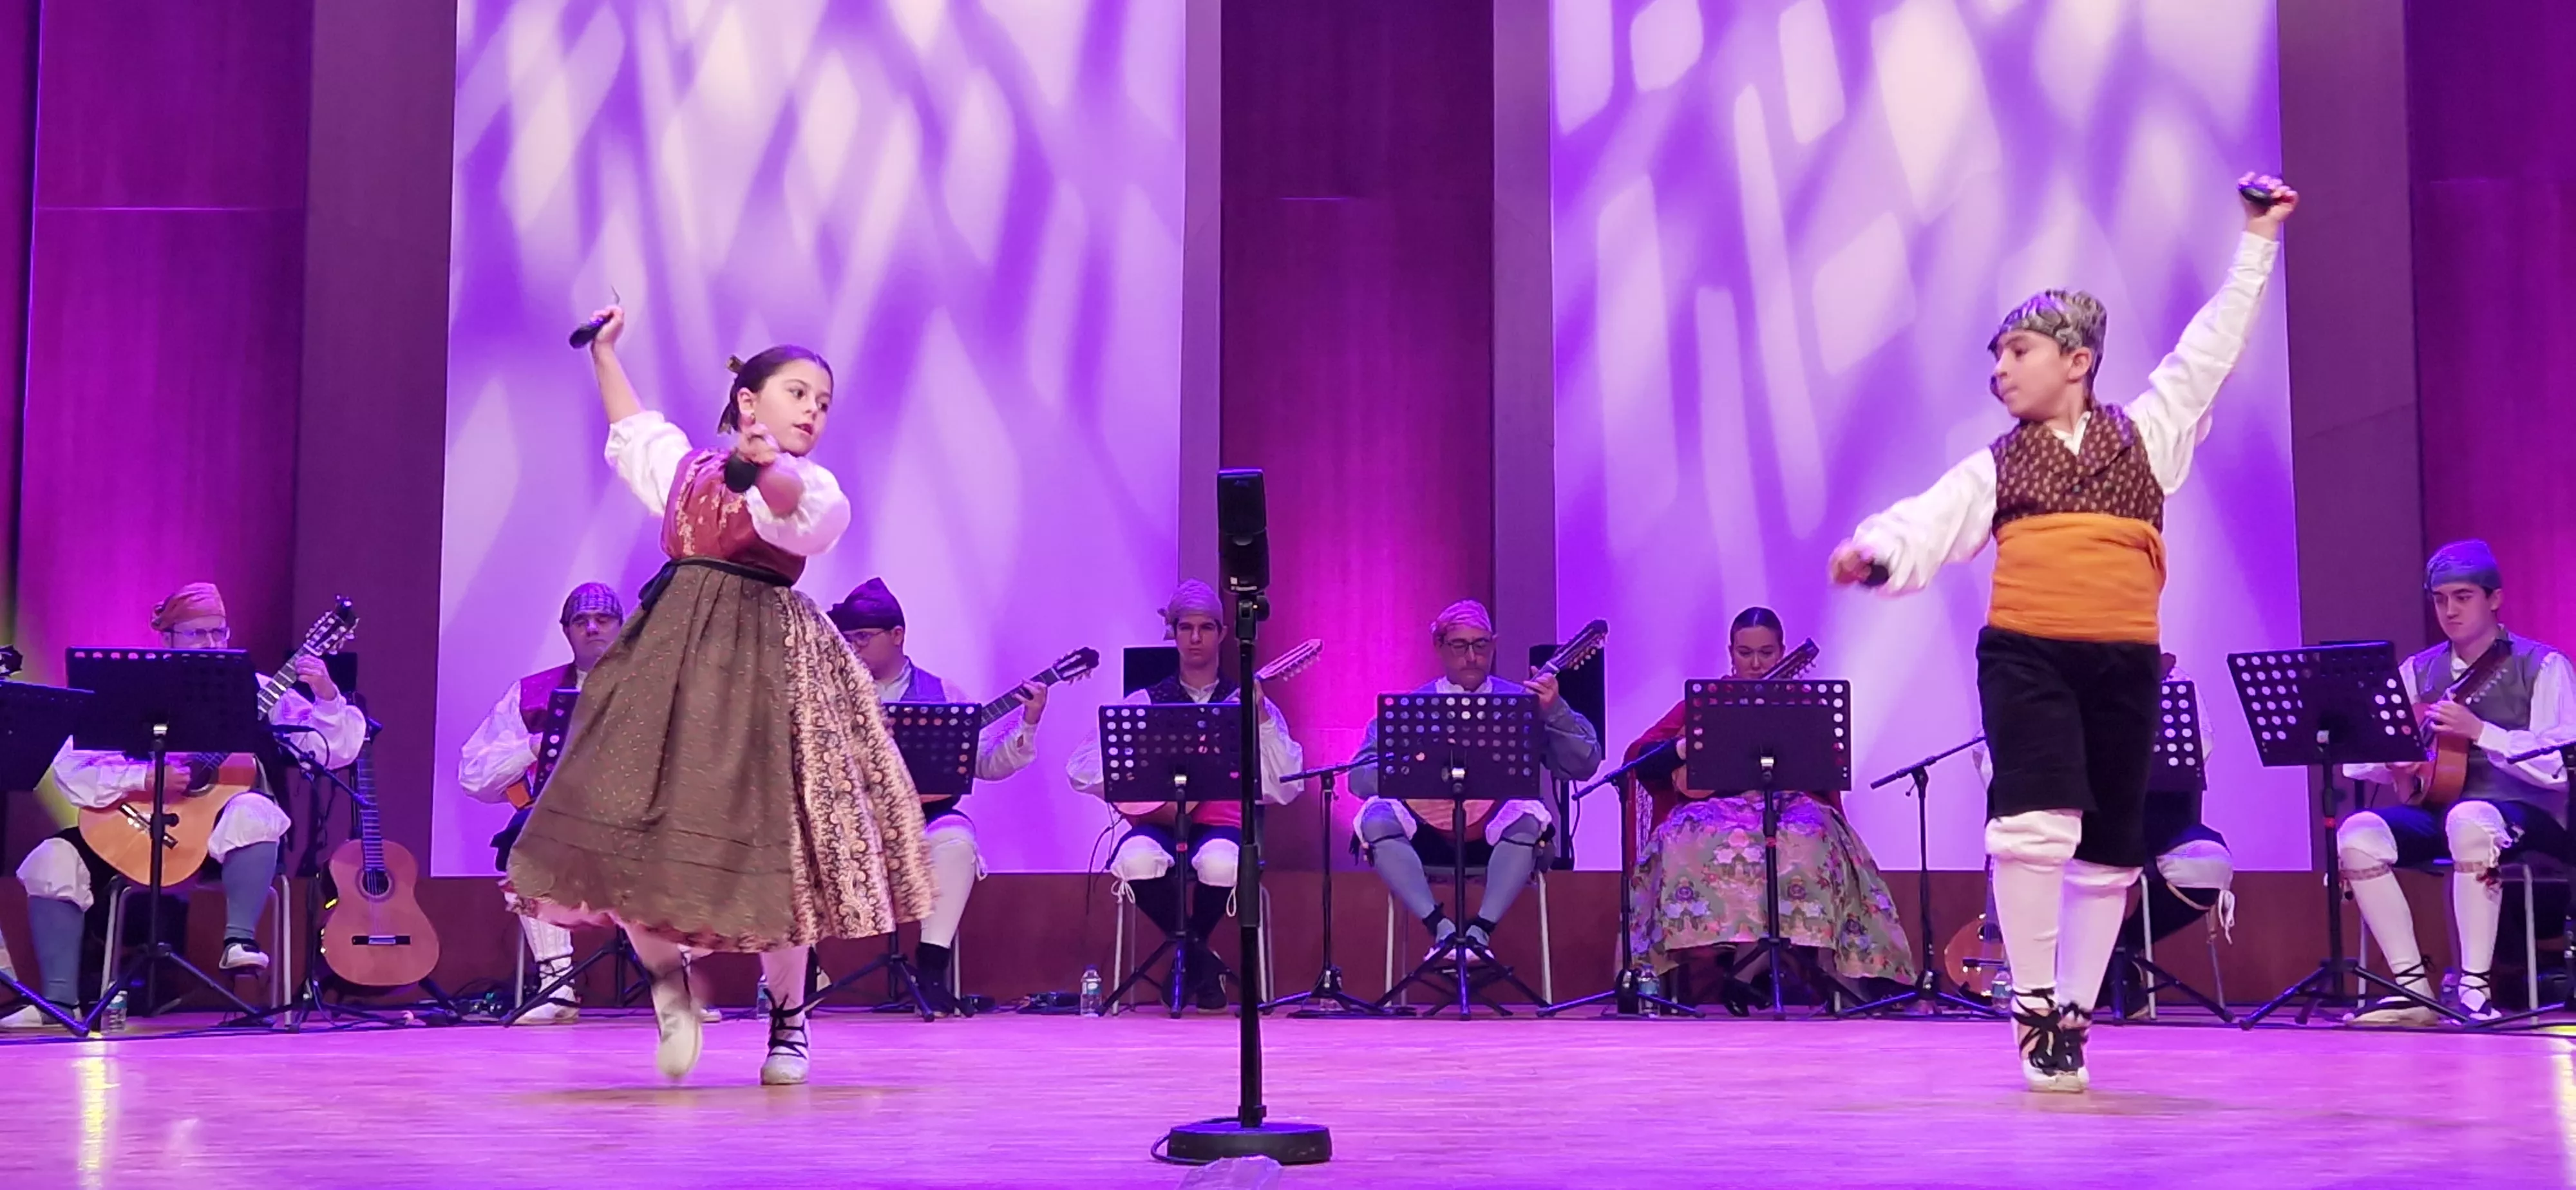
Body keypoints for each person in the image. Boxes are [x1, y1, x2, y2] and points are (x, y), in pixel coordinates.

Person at [1828, 176, 2296, 1091]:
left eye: (2018, 350)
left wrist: (2258, 238)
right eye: (1996, 356)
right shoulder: (1998, 462)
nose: (2000, 368)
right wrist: (1875, 553)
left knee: (2112, 846)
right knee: (2034, 826)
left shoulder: (2149, 435)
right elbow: (1927, 521)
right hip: (2028, 657)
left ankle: (2074, 1009)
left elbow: (2212, 350)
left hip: (2123, 665)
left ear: (2076, 359)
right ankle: (2034, 996)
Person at [504, 307, 933, 1086]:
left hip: (768, 662)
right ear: (747, 401)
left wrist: (764, 464)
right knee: (625, 832)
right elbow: (635, 428)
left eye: (824, 402)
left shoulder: (811, 484)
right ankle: (670, 990)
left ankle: (788, 1018)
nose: (814, 410)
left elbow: (797, 512)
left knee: (779, 846)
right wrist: (603, 352)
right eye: (798, 393)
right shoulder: (688, 472)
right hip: (669, 660)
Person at [4, 583, 363, 1027]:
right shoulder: (130, 689)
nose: (212, 643)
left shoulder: (255, 689)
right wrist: (145, 777)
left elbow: (335, 750)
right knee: (51, 858)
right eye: (198, 634)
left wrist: (326, 697)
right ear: (168, 638)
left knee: (257, 811)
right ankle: (58, 1003)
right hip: (131, 835)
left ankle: (239, 942)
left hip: (215, 846)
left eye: (219, 632)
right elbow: (70, 767)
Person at [458, 581, 717, 1026]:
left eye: (603, 620)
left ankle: (676, 991)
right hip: (564, 826)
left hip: (647, 822)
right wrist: (536, 746)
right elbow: (474, 776)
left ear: (624, 627)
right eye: (581, 620)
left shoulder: (664, 688)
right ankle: (558, 990)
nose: (592, 628)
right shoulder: (532, 695)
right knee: (528, 845)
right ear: (566, 631)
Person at [1622, 607, 1914, 998]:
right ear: (1730, 653)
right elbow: (1642, 756)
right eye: (1745, 654)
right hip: (1714, 813)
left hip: (1788, 807)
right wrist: (1682, 746)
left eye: (1766, 654)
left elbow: (1828, 768)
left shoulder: (1804, 704)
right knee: (1685, 839)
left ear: (1782, 652)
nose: (1756, 664)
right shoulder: (1710, 700)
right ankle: (1689, 977)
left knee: (1806, 841)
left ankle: (1764, 974)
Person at [2338, 540, 2571, 1024]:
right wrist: (2399, 762)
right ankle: (2412, 991)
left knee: (2470, 820)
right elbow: (2362, 760)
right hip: (2440, 810)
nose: (2450, 610)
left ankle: (2474, 990)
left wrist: (2480, 732)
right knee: (2358, 835)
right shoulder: (2418, 671)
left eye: (2463, 597)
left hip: (2525, 814)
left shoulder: (2542, 666)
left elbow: (2557, 763)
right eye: (2440, 599)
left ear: (2494, 599)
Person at [1066, 580, 1305, 1011]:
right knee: (1135, 860)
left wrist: (1263, 717)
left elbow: (1286, 784)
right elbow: (1080, 769)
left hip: (1223, 825)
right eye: (1186, 628)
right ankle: (1200, 960)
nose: (1195, 638)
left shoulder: (1245, 702)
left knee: (1220, 864)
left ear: (1223, 634)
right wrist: (1132, 792)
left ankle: (1188, 956)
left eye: (1206, 628)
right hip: (1158, 825)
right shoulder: (1142, 703)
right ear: (1172, 633)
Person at [828, 576, 1048, 1015]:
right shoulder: (831, 696)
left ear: (897, 636)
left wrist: (1028, 722)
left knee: (956, 841)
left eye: (863, 638)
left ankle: (930, 970)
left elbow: (985, 763)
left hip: (924, 816)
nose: (853, 649)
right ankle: (806, 977)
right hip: (853, 820)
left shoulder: (944, 695)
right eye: (847, 640)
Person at [1349, 600, 1603, 963]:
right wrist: (1414, 773)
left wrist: (1556, 712)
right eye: (1460, 645)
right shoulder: (1412, 707)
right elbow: (1359, 779)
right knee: (1376, 819)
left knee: (1529, 818)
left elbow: (1583, 765)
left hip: (1495, 838)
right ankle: (1442, 930)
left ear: (1493, 646)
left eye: (1481, 645)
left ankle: (1480, 933)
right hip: (1425, 839)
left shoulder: (1521, 703)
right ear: (1439, 647)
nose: (1472, 656)